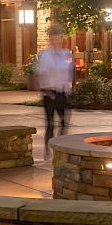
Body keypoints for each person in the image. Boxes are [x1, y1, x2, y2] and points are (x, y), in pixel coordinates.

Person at [35, 25, 75, 155]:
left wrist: (70, 87)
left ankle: (61, 148)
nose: (56, 41)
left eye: (58, 39)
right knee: (50, 123)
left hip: (62, 92)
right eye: (53, 39)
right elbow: (41, 74)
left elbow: (69, 72)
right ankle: (48, 149)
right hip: (49, 92)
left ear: (61, 39)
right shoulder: (45, 56)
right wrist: (45, 90)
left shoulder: (66, 54)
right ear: (50, 40)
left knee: (63, 122)